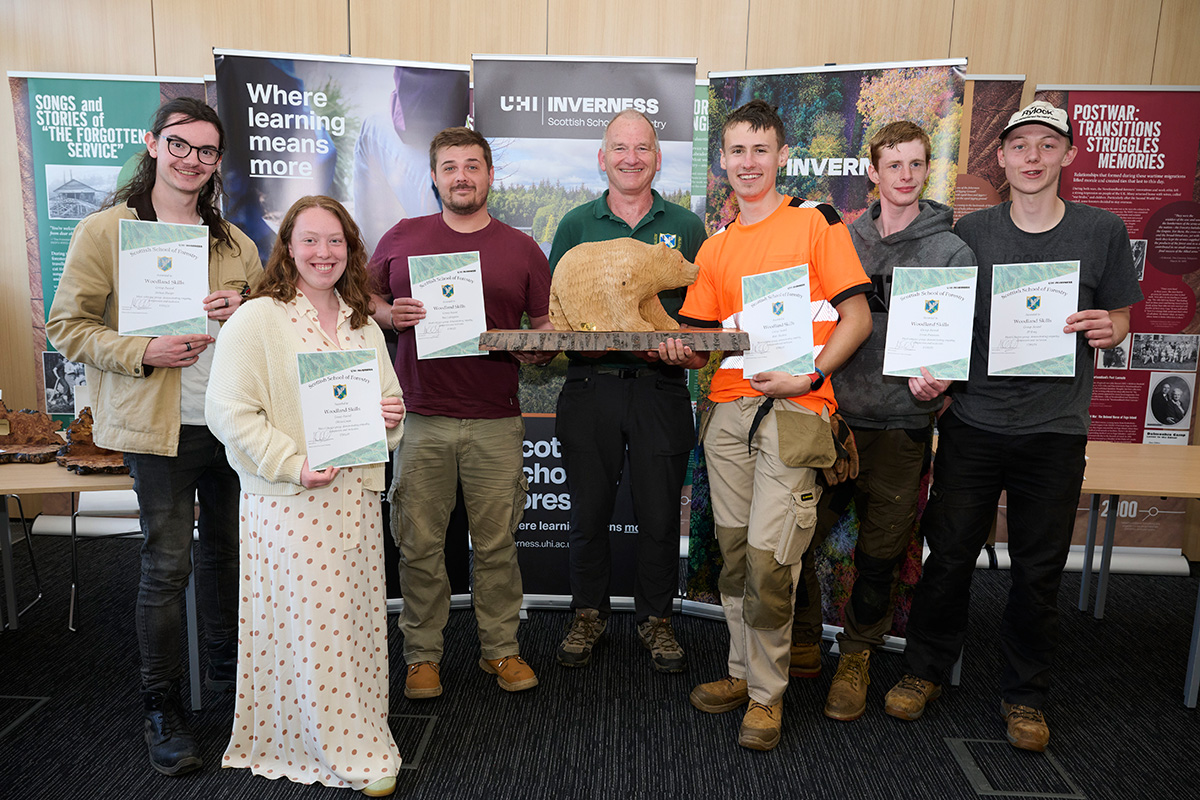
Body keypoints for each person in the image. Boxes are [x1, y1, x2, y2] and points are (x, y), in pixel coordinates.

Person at [883, 101, 1143, 752]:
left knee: (1038, 570)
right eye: (1019, 145)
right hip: (973, 420)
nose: (1032, 157)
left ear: (1067, 155)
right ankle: (923, 672)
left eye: (1046, 146)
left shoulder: (1101, 231)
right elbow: (944, 318)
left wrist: (1112, 330)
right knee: (948, 559)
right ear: (999, 158)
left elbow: (1120, 320)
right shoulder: (973, 234)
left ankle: (1025, 696)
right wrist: (928, 370)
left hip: (1055, 429)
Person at [46, 97, 262, 776]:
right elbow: (67, 326)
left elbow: (266, 324)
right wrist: (142, 351)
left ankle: (230, 690)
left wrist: (249, 304)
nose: (192, 160)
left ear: (217, 161)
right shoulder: (105, 231)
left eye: (206, 151)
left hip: (231, 424)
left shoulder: (235, 243)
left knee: (229, 558)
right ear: (152, 144)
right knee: (167, 566)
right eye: (180, 145)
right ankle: (160, 705)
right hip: (157, 426)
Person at [673, 99, 872, 750]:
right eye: (737, 151)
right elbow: (701, 344)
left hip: (798, 411)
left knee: (769, 561)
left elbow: (857, 319)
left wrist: (810, 377)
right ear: (722, 161)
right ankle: (739, 672)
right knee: (734, 561)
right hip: (728, 414)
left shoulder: (816, 224)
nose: (749, 163)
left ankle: (766, 696)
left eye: (761, 150)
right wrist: (673, 342)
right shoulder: (717, 245)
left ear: (782, 156)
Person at [205, 195, 404, 796]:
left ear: (351, 249)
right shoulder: (258, 318)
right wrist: (293, 464)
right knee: (311, 625)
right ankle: (342, 748)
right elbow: (227, 412)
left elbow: (388, 401)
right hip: (290, 499)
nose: (324, 253)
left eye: (336, 241)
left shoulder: (360, 320)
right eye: (311, 240)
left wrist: (389, 416)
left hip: (354, 496)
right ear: (288, 246)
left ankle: (357, 723)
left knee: (355, 619)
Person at [788, 121, 975, 722]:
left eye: (916, 165)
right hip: (832, 419)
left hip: (902, 424)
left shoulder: (950, 250)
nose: (905, 176)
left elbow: (958, 339)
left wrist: (943, 377)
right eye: (892, 165)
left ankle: (858, 657)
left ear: (927, 170)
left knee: (879, 554)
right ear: (872, 171)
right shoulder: (840, 238)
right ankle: (804, 641)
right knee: (795, 537)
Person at [369, 126, 551, 700]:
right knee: (419, 544)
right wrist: (389, 314)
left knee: (497, 543)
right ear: (434, 177)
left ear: (490, 175)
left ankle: (500, 649)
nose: (462, 177)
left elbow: (544, 328)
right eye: (450, 167)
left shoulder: (521, 248)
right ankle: (422, 655)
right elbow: (362, 298)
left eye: (473, 166)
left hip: (496, 418)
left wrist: (526, 342)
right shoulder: (402, 236)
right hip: (419, 417)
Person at [548, 110, 707, 673]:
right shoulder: (574, 225)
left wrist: (685, 349)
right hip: (590, 388)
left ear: (658, 159)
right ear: (603, 158)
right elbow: (560, 315)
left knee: (661, 516)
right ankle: (587, 612)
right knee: (587, 513)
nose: (631, 157)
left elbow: (702, 324)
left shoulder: (687, 226)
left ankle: (657, 619)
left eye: (642, 148)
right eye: (620, 148)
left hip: (660, 390)